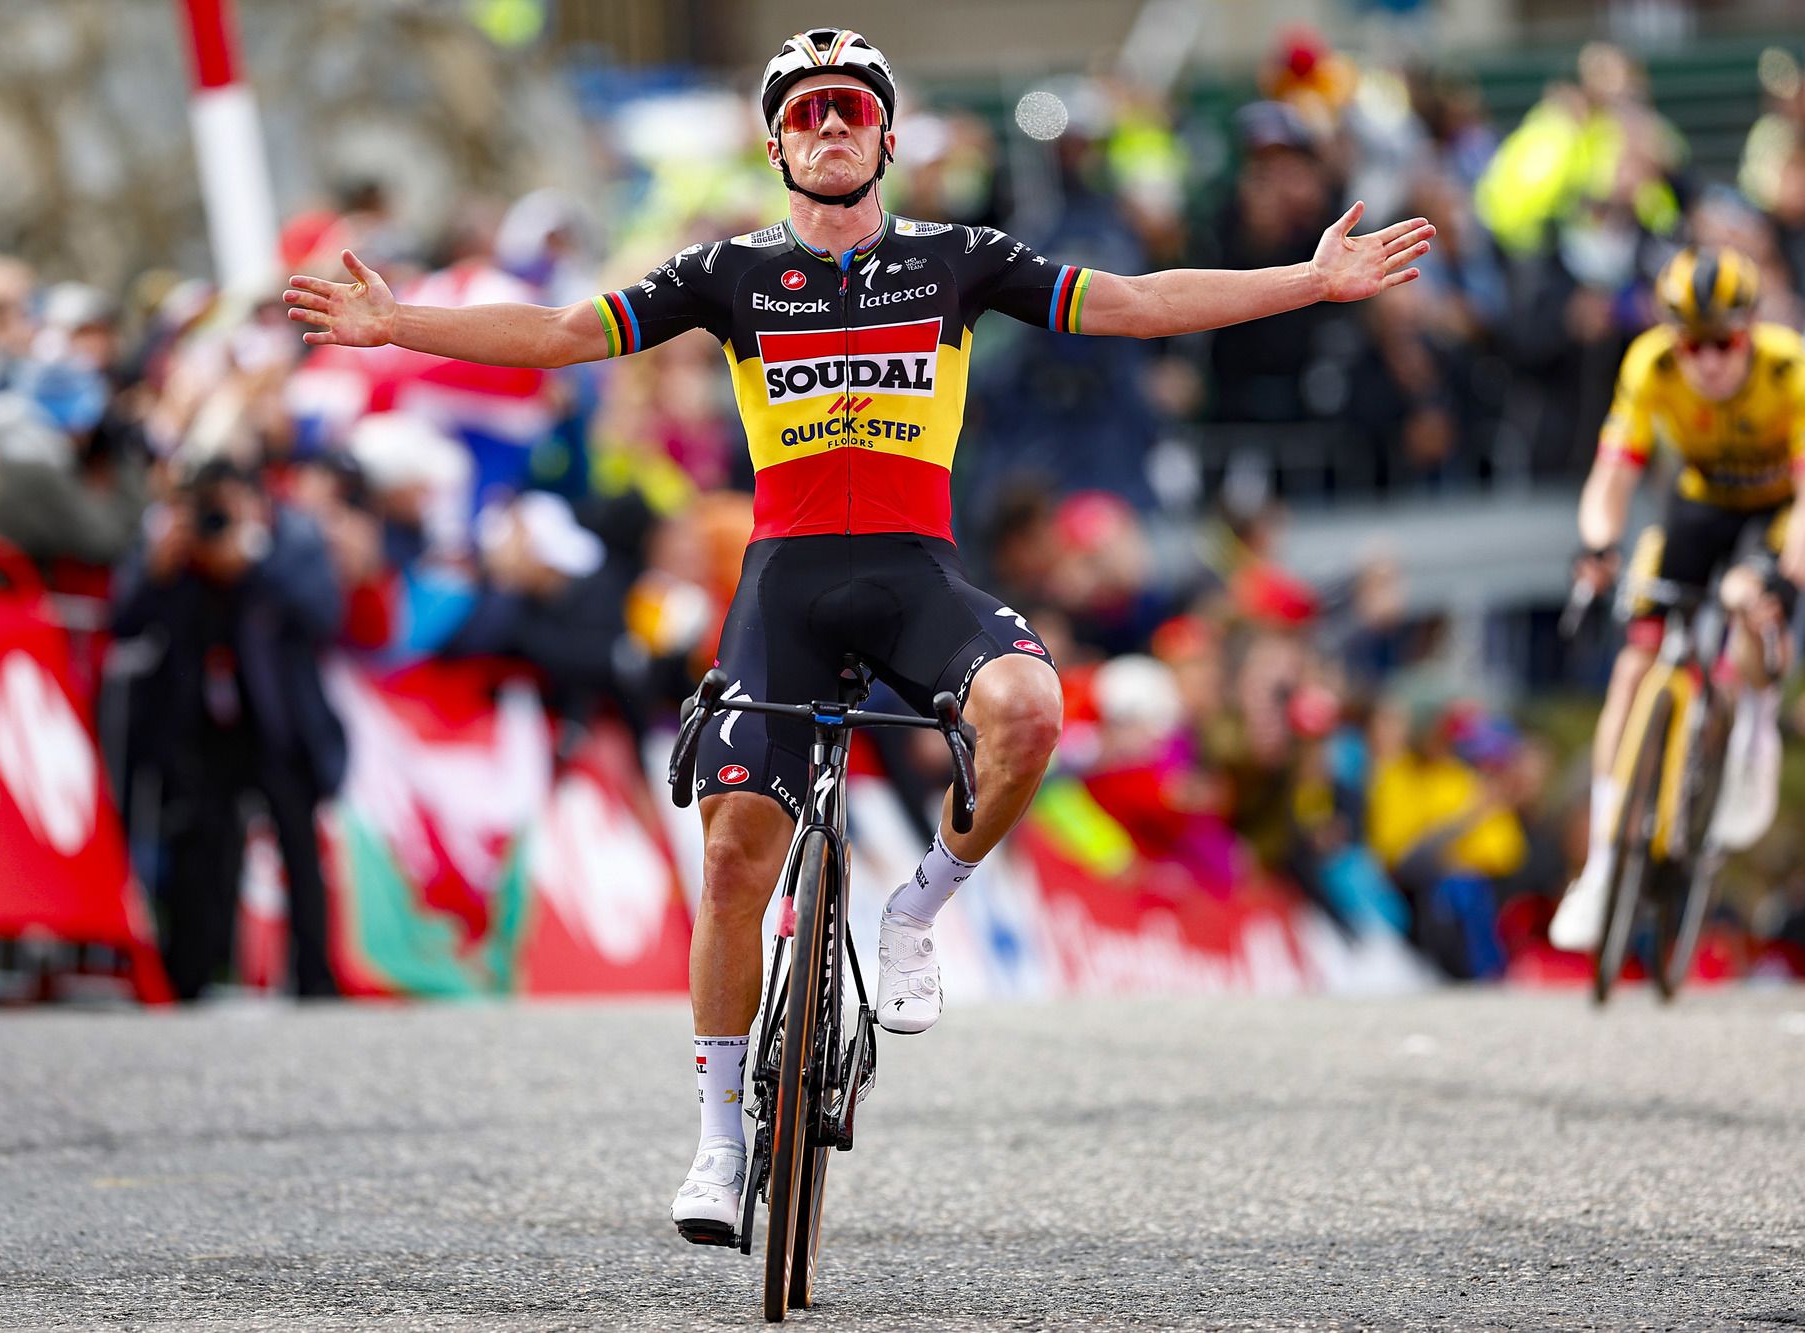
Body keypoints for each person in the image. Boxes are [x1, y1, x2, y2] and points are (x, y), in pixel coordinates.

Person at [283, 26, 1433, 1243]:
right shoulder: (728, 272)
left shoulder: (956, 259)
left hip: (913, 573)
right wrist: (399, 323)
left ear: (884, 137)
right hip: (782, 583)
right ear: (777, 142)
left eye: (850, 111)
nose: (829, 128)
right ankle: (720, 1139)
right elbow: (568, 333)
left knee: (1030, 708)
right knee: (731, 861)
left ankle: (915, 906)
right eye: (805, 114)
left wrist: (1305, 282)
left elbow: (1138, 305)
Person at [1552, 246, 1805, 952]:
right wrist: (1597, 545)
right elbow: (1613, 472)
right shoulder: (1650, 364)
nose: (1709, 362)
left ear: (1749, 332)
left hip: (1777, 512)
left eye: (1724, 342)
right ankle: (1603, 866)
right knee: (1633, 668)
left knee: (1748, 596)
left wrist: (1785, 578)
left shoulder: (1790, 369)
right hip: (1697, 503)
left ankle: (1753, 725)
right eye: (1693, 344)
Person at [110, 460, 348, 1000]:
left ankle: (315, 980)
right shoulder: (175, 543)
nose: (217, 519)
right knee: (201, 850)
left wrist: (254, 563)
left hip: (277, 726)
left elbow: (326, 614)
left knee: (299, 854)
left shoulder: (293, 540)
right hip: (200, 728)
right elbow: (123, 621)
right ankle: (191, 975)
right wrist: (158, 568)